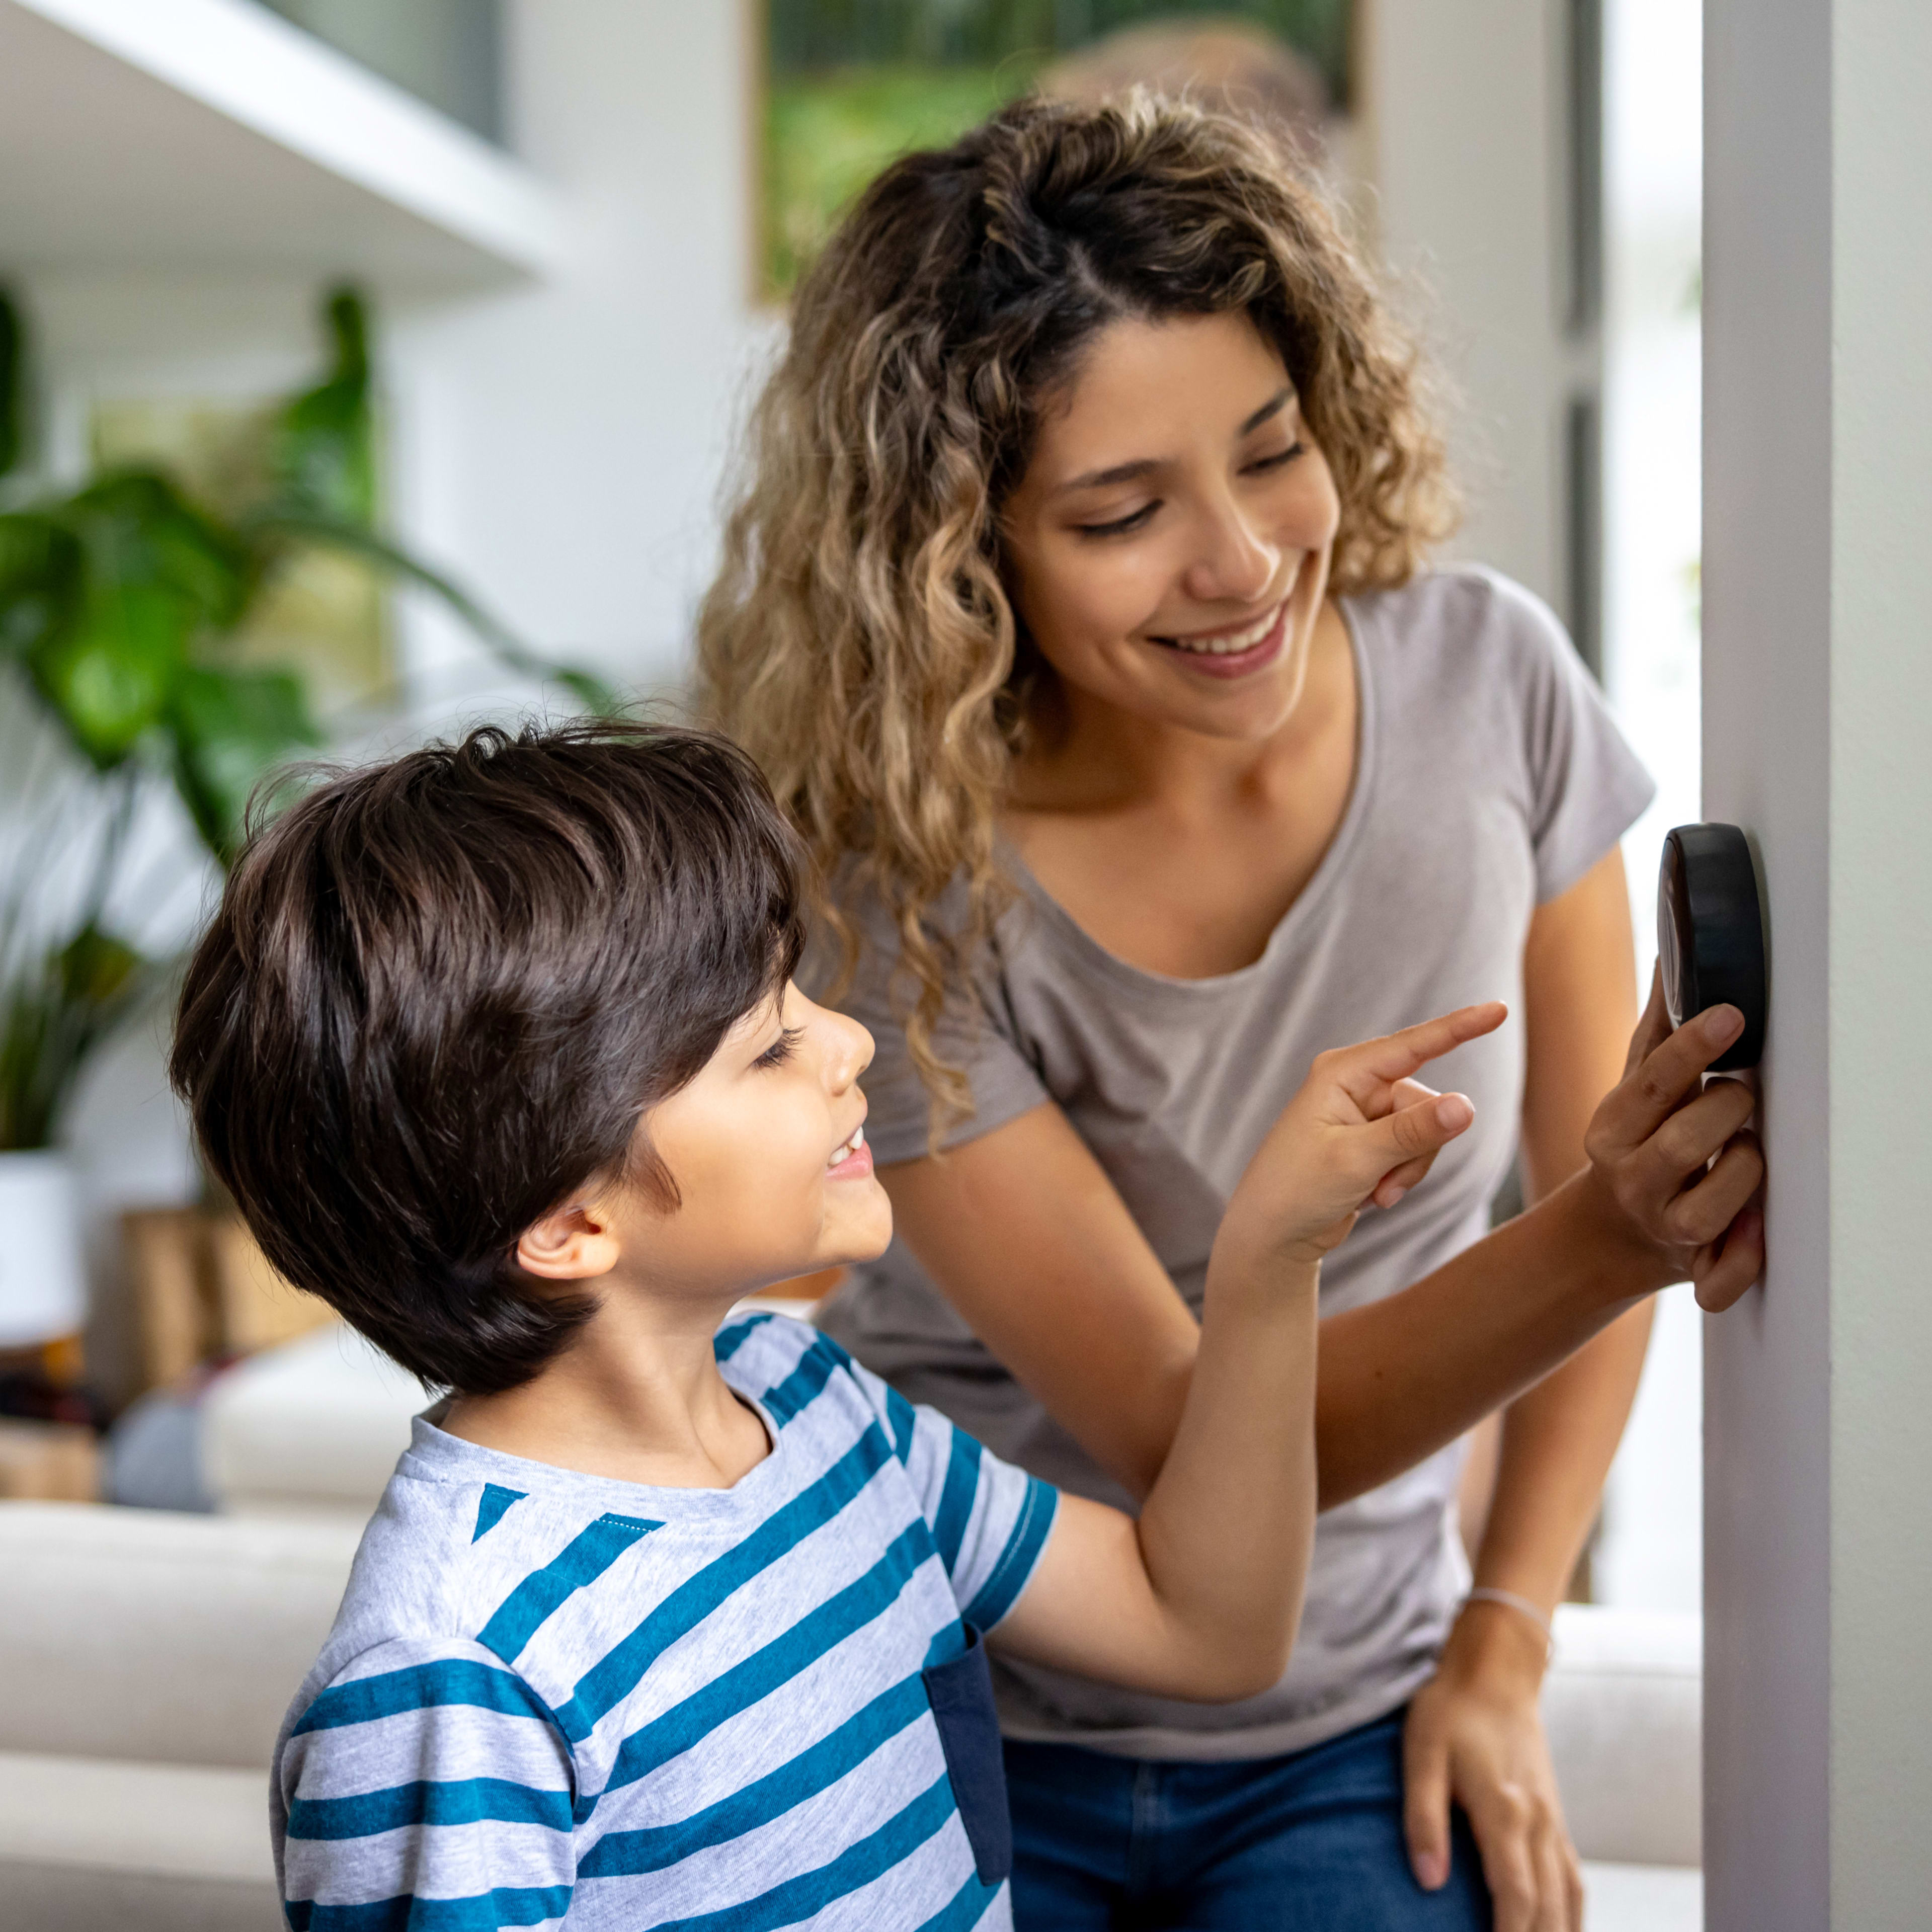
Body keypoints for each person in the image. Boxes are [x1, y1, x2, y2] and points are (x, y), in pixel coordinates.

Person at [698, 95, 1764, 1932]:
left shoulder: (1491, 685)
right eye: (1122, 513)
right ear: (967, 559)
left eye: (1271, 452)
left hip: (1350, 1714)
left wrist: (1508, 1636)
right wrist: (1609, 1235)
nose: (1245, 561)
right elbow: (1199, 1448)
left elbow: (1605, 1168)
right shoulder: (894, 862)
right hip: (938, 1689)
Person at [168, 719, 1554, 1929]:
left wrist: (1268, 1265)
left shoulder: (812, 1402)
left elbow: (1210, 1631)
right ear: (569, 1224)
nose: (852, 1045)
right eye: (767, 1047)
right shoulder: (450, 1672)